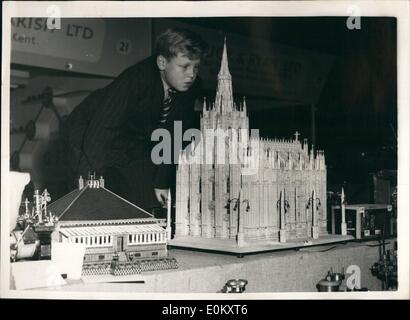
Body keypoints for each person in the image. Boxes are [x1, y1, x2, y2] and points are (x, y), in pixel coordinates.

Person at [62, 28, 207, 213]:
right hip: (87, 132)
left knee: (147, 198)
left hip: (130, 138)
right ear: (162, 62)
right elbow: (102, 130)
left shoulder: (191, 88)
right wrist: (88, 188)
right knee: (88, 200)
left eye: (196, 67)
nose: (191, 75)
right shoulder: (136, 79)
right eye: (184, 66)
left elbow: (173, 134)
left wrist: (161, 183)